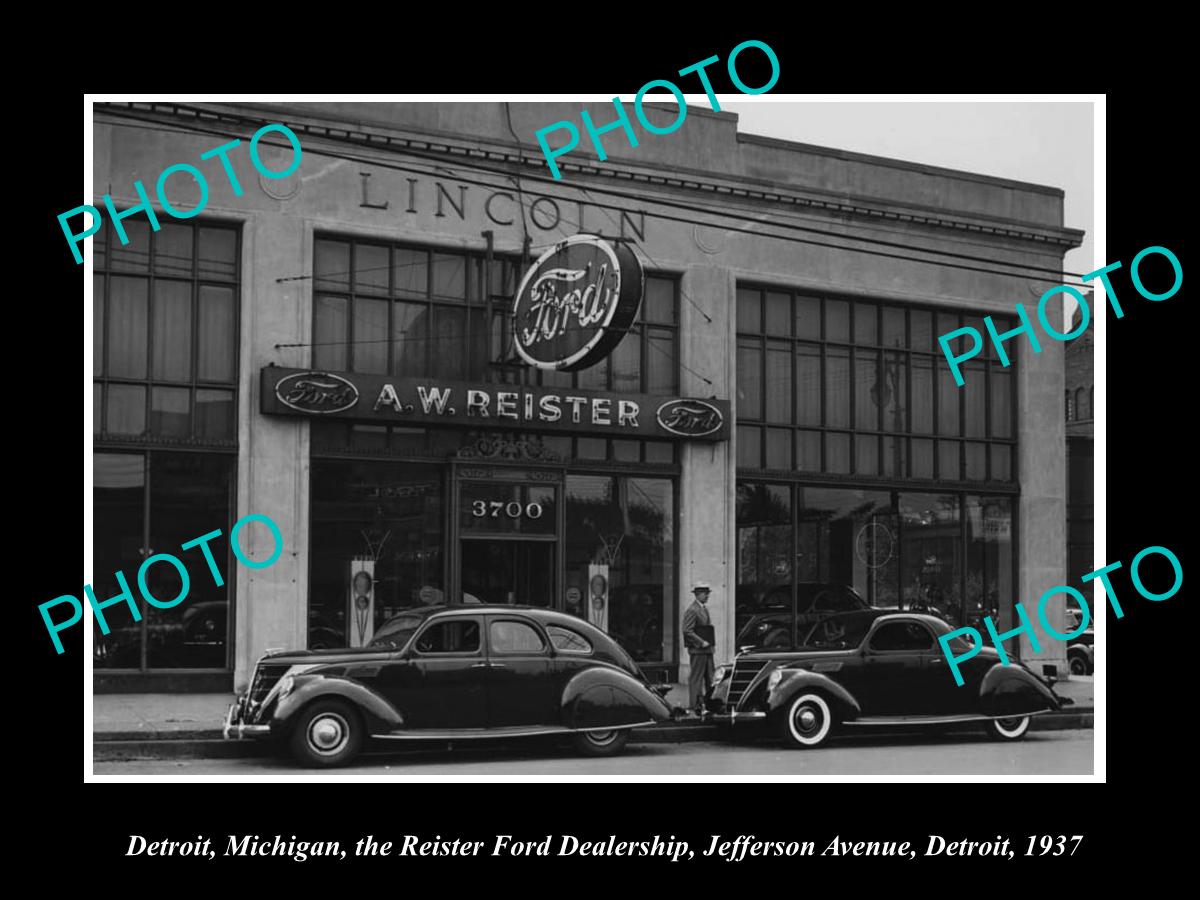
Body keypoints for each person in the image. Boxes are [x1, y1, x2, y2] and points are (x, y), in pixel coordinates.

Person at [682, 581, 716, 717]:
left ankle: (708, 703)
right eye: (705, 593)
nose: (707, 596)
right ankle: (695, 705)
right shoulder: (692, 610)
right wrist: (701, 642)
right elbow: (687, 630)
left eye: (707, 593)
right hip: (698, 650)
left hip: (706, 650)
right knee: (696, 678)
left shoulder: (703, 608)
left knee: (710, 677)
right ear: (697, 594)